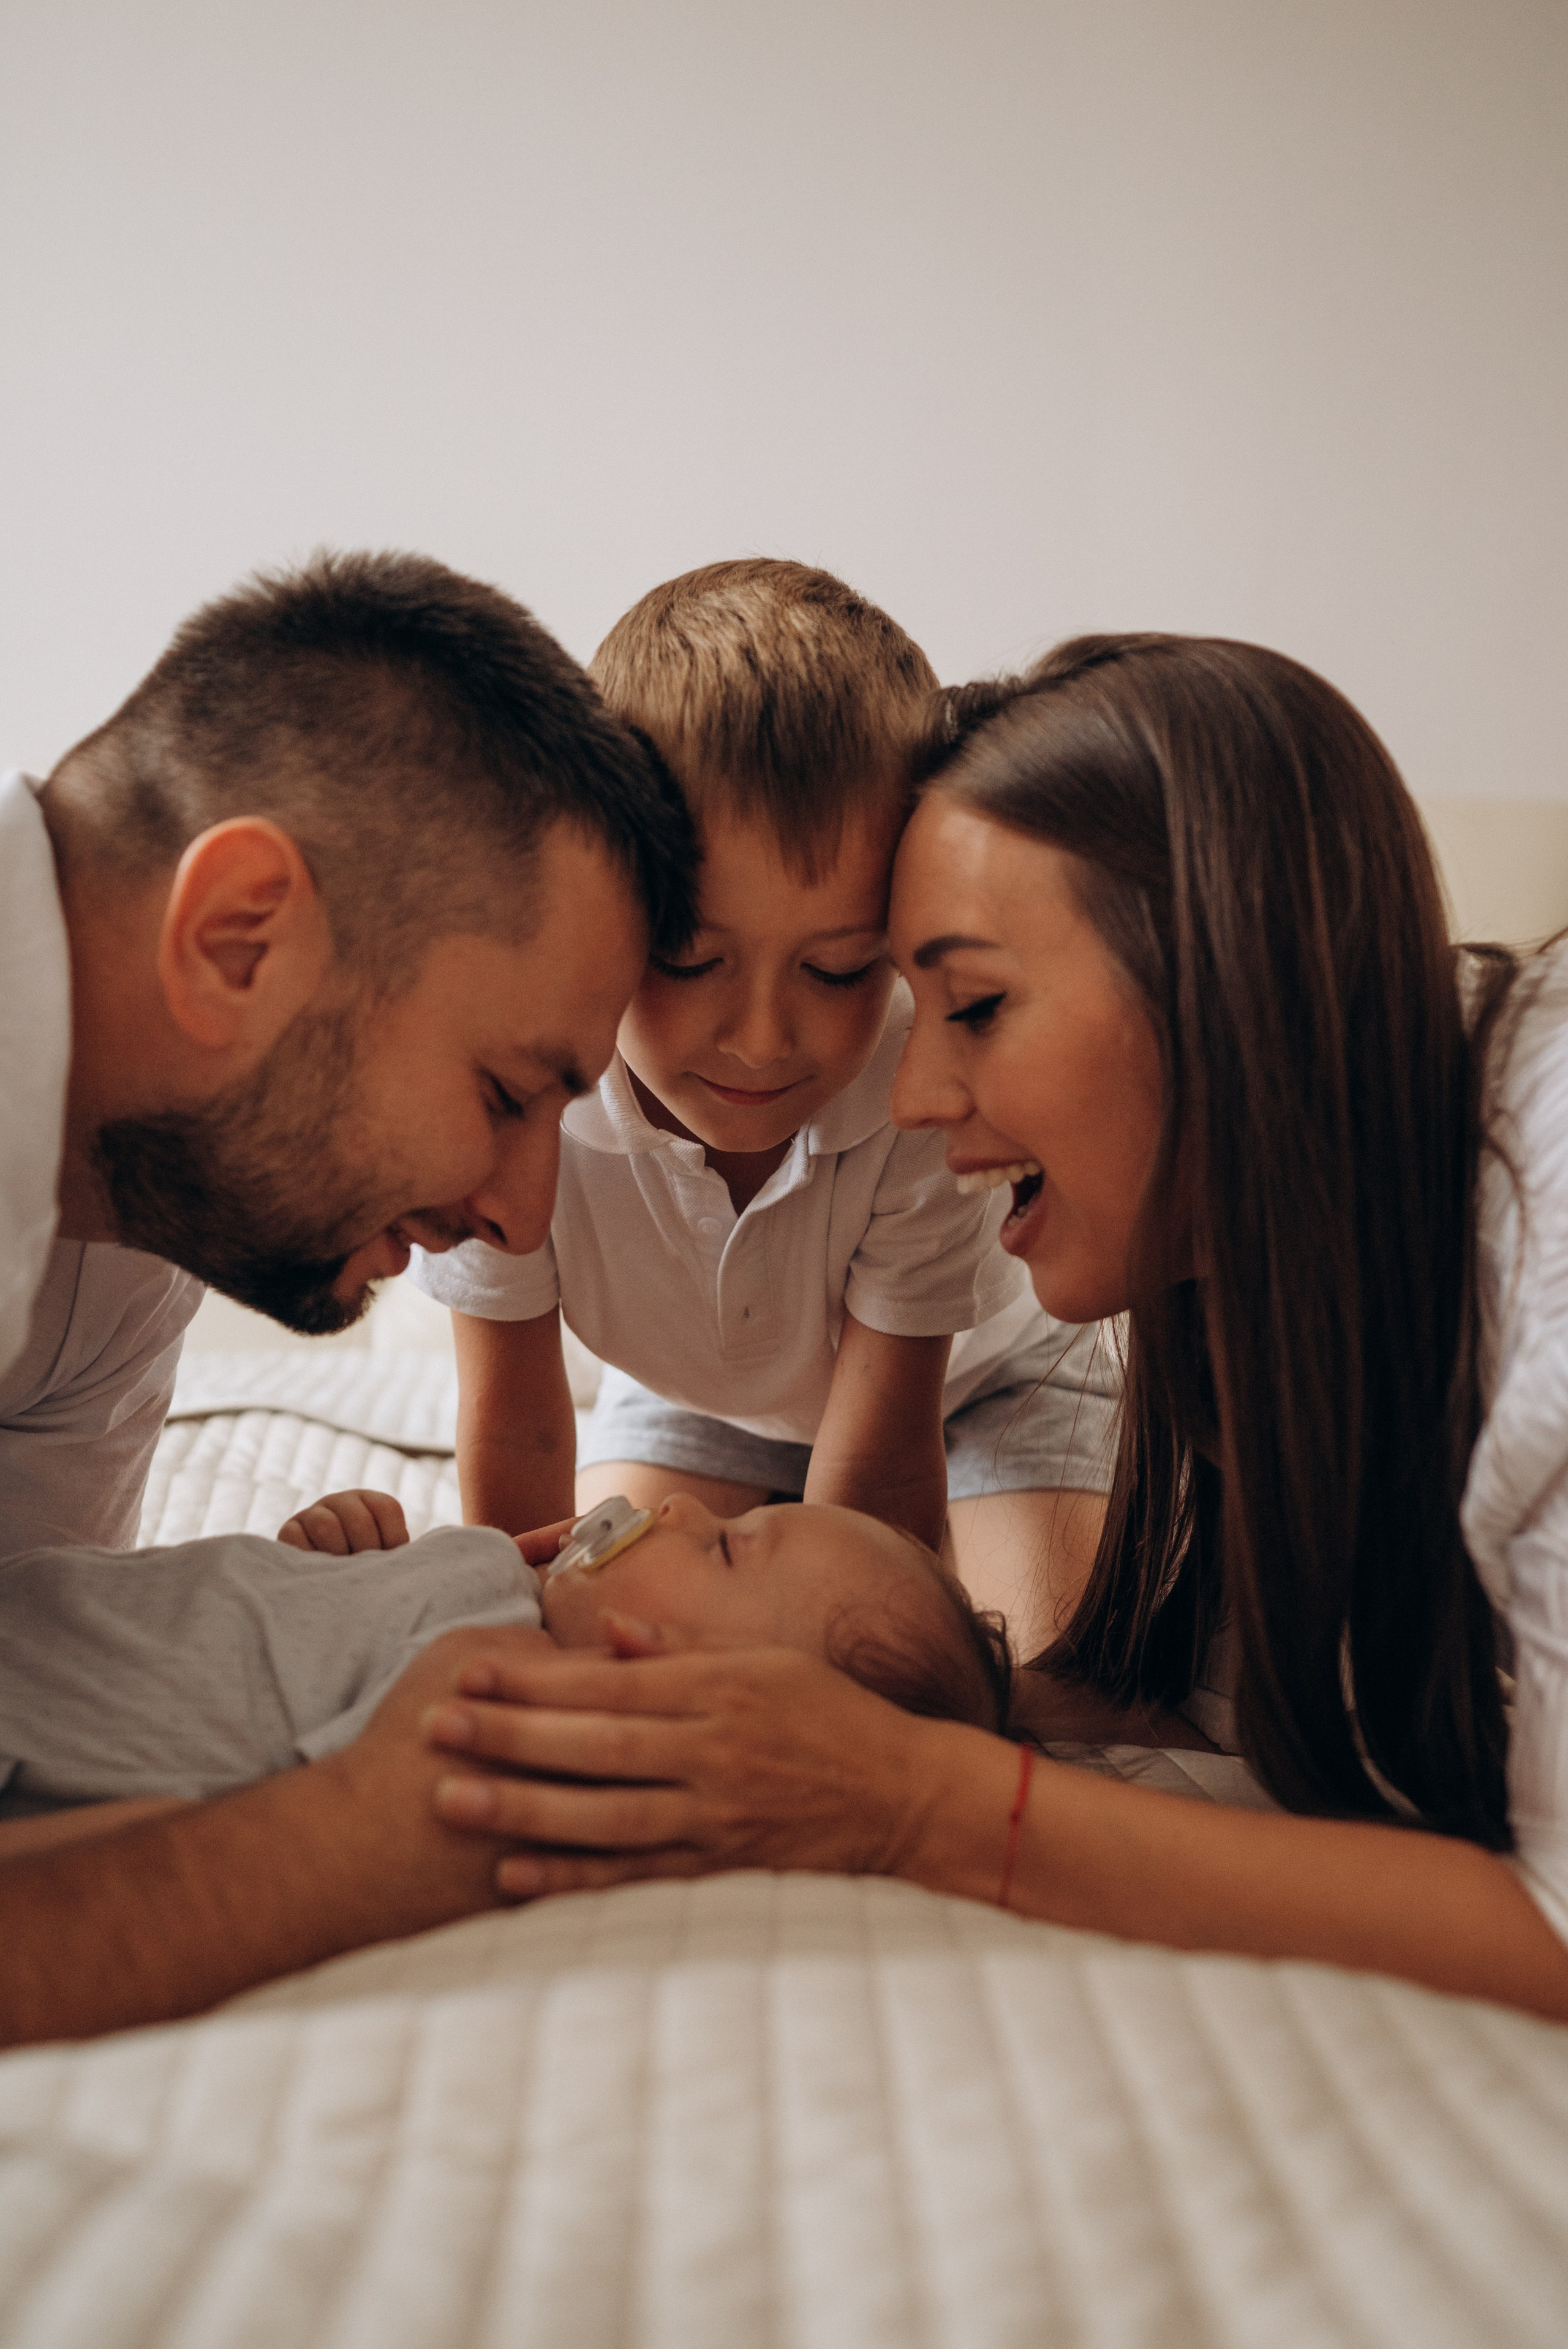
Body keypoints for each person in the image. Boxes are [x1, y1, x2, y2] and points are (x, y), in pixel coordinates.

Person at [417, 632, 1568, 2022]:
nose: (907, 1098)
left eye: (969, 1005)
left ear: (1219, 972)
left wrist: (925, 1800)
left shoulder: (1538, 1207)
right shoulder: (1310, 1277)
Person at [0, 548, 696, 2045]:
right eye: (507, 1092)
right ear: (238, 935)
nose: (519, 1211)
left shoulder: (126, 1229)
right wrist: (388, 1829)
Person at [412, 560, 1119, 1650]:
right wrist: (525, 1650)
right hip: (701, 1404)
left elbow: (879, 1468)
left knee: (1043, 1675)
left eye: (839, 971)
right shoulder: (529, 1085)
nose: (759, 1040)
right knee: (627, 1630)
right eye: (689, 958)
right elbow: (514, 1428)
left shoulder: (916, 1083)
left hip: (981, 1388)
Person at [0, 1490, 1009, 1829]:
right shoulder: (501, 1593)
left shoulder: (495, 1689)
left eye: (727, 1545)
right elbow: (284, 1641)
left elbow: (304, 1792)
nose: (682, 1506)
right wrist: (327, 1563)